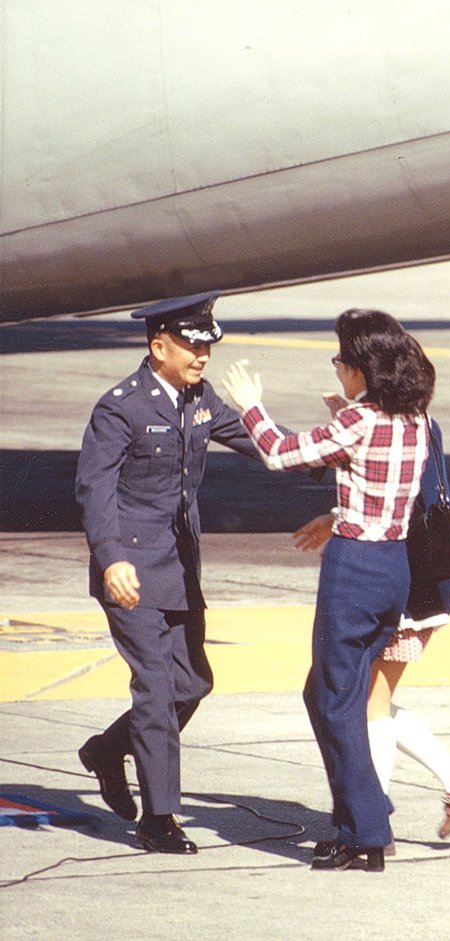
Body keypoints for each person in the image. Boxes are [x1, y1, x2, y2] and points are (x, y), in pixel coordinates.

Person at [222, 308, 437, 873]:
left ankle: (368, 831)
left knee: (336, 701)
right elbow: (378, 476)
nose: (338, 369)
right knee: (326, 695)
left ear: (363, 369)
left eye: (342, 361)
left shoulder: (361, 422)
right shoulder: (414, 418)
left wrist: (249, 403)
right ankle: (358, 817)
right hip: (393, 567)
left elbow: (279, 452)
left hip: (356, 570)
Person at [75, 291, 265, 853]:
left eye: (208, 344)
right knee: (156, 689)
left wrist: (332, 455)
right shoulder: (122, 407)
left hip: (180, 566)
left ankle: (109, 750)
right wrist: (111, 558)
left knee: (192, 683)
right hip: (131, 569)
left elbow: (256, 442)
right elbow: (94, 487)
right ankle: (159, 818)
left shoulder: (198, 399)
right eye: (191, 344)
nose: (203, 355)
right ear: (159, 346)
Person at [292, 415, 450, 847]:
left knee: (369, 704)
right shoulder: (412, 421)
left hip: (410, 584)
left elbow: (404, 499)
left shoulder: (401, 426)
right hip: (411, 578)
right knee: (359, 698)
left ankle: (371, 826)